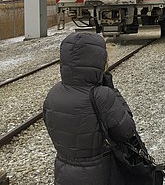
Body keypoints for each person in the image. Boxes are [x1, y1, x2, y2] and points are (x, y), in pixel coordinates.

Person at [43, 32, 139, 185]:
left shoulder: (53, 94)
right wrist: (113, 92)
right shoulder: (102, 96)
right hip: (100, 174)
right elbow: (127, 132)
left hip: (63, 173)